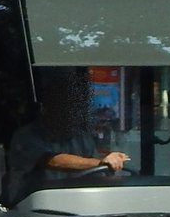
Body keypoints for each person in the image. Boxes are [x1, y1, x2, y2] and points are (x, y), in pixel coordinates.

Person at [7, 68, 129, 203]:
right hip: (34, 207)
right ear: (47, 104)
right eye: (62, 102)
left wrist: (112, 161)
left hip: (78, 204)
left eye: (73, 103)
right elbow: (52, 160)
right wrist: (99, 163)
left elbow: (97, 167)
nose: (70, 108)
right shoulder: (26, 136)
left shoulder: (81, 137)